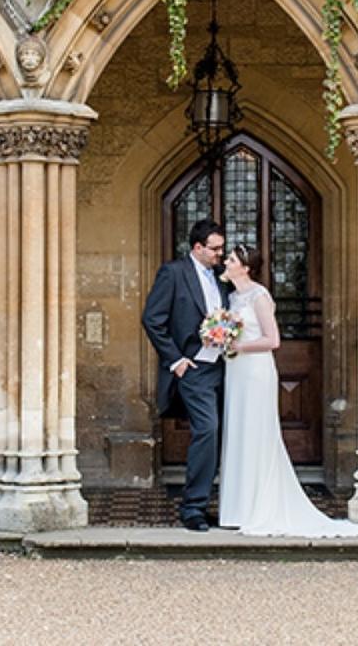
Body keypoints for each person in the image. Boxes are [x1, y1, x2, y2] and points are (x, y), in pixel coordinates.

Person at [216, 244, 358, 538]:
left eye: (230, 259)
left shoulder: (259, 296)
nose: (225, 262)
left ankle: (258, 507)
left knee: (256, 432)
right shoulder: (231, 297)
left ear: (245, 267)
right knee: (238, 430)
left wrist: (239, 345)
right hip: (236, 372)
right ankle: (236, 508)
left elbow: (273, 339)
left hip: (255, 370)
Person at [141, 219, 231, 531]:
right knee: (207, 430)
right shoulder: (174, 273)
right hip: (193, 369)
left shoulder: (222, 277)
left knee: (222, 435)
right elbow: (152, 319)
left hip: (224, 367)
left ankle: (218, 504)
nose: (220, 254)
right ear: (197, 247)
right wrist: (175, 360)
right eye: (214, 249)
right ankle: (192, 508)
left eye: (221, 248)